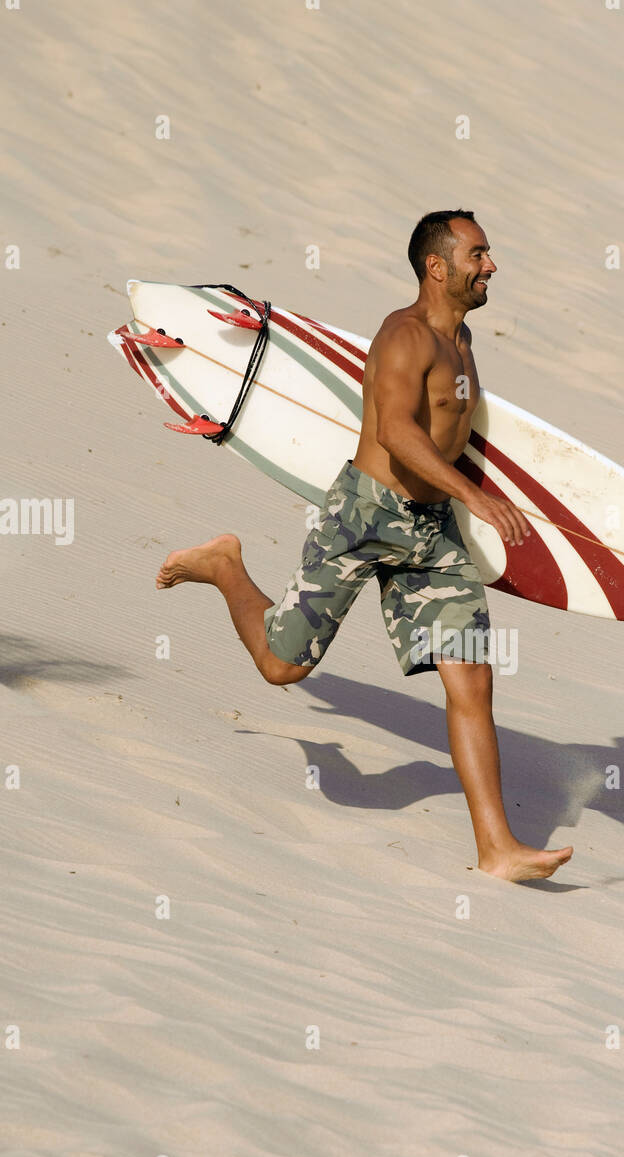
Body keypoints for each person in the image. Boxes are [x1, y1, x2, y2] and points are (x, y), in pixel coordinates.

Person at [156, 209, 573, 882]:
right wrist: (475, 496)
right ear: (437, 266)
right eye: (479, 253)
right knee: (282, 667)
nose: (491, 264)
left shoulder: (463, 338)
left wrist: (471, 496)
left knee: (471, 679)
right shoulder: (404, 336)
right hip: (365, 516)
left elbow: (453, 432)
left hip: (432, 535)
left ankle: (497, 848)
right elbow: (399, 431)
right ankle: (227, 566)